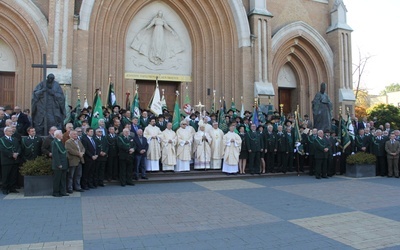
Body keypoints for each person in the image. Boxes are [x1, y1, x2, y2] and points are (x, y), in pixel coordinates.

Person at [0, 127, 21, 194]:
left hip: (15, 160)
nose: (11, 132)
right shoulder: (2, 140)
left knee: (13, 175)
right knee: (6, 176)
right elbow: (3, 149)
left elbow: (18, 147)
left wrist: (17, 153)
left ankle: (12, 188)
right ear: (5, 132)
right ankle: (5, 188)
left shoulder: (14, 139)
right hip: (6, 160)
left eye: (11, 131)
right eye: (9, 131)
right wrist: (11, 154)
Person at [51, 130, 68, 197]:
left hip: (63, 163)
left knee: (63, 179)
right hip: (58, 165)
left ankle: (62, 191)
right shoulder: (54, 142)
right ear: (57, 135)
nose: (62, 135)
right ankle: (56, 192)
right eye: (61, 134)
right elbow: (55, 154)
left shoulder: (60, 142)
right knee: (57, 179)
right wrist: (58, 164)